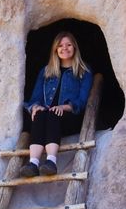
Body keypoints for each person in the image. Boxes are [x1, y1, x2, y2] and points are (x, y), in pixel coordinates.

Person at [22, 30, 91, 177]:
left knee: (53, 113)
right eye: (60, 45)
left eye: (68, 45)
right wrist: (35, 106)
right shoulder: (46, 71)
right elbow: (35, 97)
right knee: (39, 114)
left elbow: (82, 100)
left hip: (69, 117)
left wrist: (65, 107)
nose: (64, 48)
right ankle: (33, 163)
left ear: (75, 48)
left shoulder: (83, 71)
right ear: (55, 49)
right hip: (47, 119)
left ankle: (51, 161)